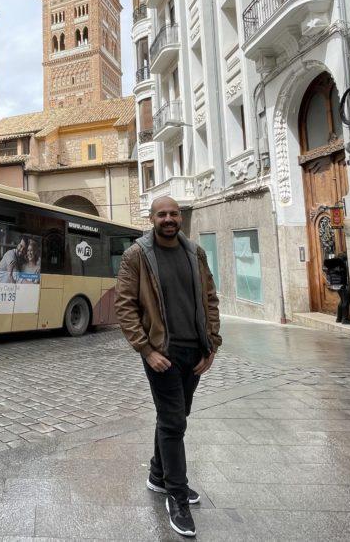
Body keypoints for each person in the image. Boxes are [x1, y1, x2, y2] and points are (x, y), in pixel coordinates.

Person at [115, 196, 222, 538]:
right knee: (174, 420)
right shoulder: (137, 255)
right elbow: (125, 306)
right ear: (152, 218)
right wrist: (146, 350)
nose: (169, 219)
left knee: (175, 416)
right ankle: (177, 495)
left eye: (174, 213)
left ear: (180, 217)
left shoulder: (195, 252)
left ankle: (158, 475)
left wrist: (212, 344)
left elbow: (210, 298)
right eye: (162, 214)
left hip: (195, 352)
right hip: (162, 353)